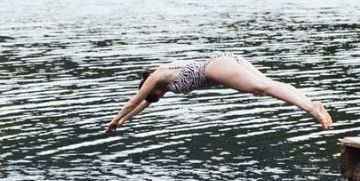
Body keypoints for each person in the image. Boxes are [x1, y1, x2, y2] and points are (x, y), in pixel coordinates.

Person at [105, 52, 332, 132]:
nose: (158, 98)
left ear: (150, 87)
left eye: (154, 96)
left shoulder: (157, 76)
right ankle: (311, 103)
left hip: (214, 68)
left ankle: (312, 110)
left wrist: (114, 119)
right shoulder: (163, 85)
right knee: (264, 87)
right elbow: (142, 106)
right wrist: (124, 122)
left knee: (262, 87)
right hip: (223, 61)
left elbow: (135, 100)